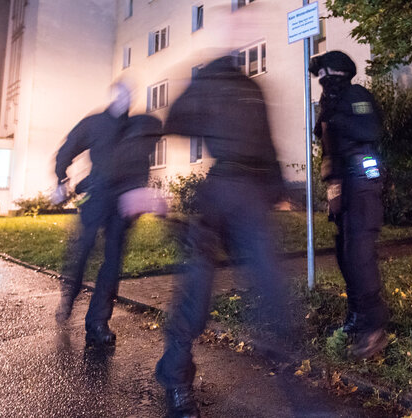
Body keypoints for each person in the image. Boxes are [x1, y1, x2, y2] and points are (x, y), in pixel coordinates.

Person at [154, 55, 290, 418]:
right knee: (196, 291)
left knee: (272, 291)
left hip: (252, 198)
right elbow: (177, 119)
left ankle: (299, 394)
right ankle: (176, 378)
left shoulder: (253, 88)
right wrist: (203, 88)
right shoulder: (210, 81)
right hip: (218, 195)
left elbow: (268, 144)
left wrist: (277, 187)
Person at [309, 51, 389, 360]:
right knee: (345, 253)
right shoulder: (330, 103)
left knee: (359, 254)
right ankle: (357, 318)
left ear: (339, 73)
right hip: (342, 185)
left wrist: (335, 117)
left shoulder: (356, 95)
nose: (322, 81)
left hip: (363, 182)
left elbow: (368, 130)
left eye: (326, 74)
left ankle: (373, 327)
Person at [52, 82, 135, 347]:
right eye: (121, 95)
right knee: (84, 249)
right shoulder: (95, 123)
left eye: (129, 96)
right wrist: (61, 178)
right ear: (113, 97)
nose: (125, 100)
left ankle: (98, 322)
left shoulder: (134, 128)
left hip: (121, 202)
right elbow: (69, 147)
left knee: (112, 262)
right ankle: (70, 295)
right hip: (97, 195)